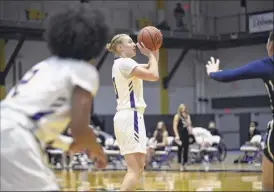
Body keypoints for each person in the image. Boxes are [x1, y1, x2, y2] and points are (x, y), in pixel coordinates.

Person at [0, 4, 109, 191]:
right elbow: (79, 129)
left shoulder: (43, 66)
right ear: (96, 42)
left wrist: (67, 144)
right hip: (15, 136)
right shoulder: (84, 71)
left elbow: (34, 123)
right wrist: (96, 149)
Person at [205, 31, 274, 191]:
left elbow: (231, 75)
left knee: (269, 187)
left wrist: (213, 72)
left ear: (270, 45)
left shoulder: (268, 64)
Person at [106, 33, 159, 191]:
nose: (134, 44)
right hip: (130, 116)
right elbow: (154, 75)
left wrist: (154, 50)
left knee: (138, 168)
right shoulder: (125, 62)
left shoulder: (123, 64)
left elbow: (151, 66)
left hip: (128, 116)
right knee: (134, 170)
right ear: (120, 47)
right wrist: (150, 54)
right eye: (130, 42)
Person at [173, 104, 193, 171]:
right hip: (180, 134)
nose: (184, 109)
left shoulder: (187, 116)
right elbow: (175, 126)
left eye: (185, 108)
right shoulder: (177, 116)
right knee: (180, 149)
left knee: (186, 149)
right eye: (183, 108)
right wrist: (176, 135)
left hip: (186, 134)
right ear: (180, 109)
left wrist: (187, 118)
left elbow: (189, 125)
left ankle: (185, 163)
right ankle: (180, 164)